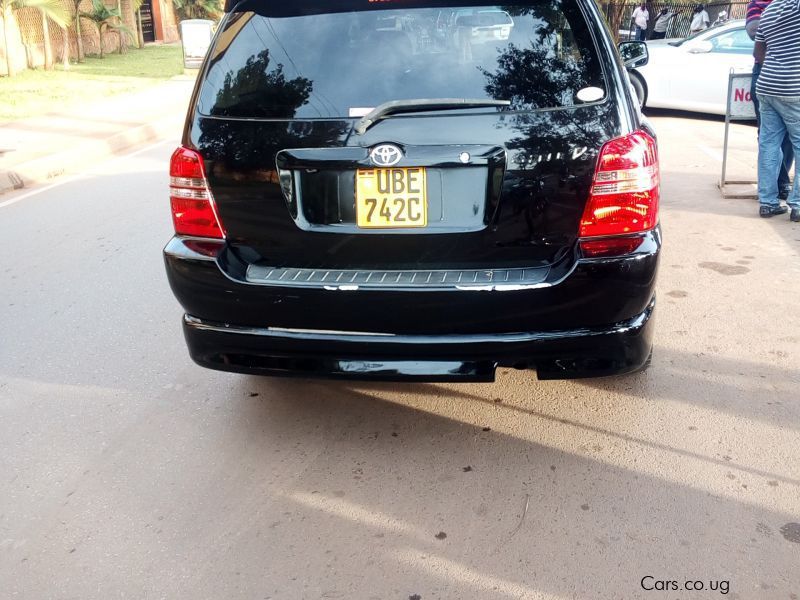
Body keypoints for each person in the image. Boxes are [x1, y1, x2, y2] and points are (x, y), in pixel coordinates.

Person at [754, 0, 800, 220]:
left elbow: (758, 52)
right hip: (794, 88)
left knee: (769, 144)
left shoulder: (770, 8)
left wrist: (777, 67)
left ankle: (768, 203)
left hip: (767, 85)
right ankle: (798, 204)